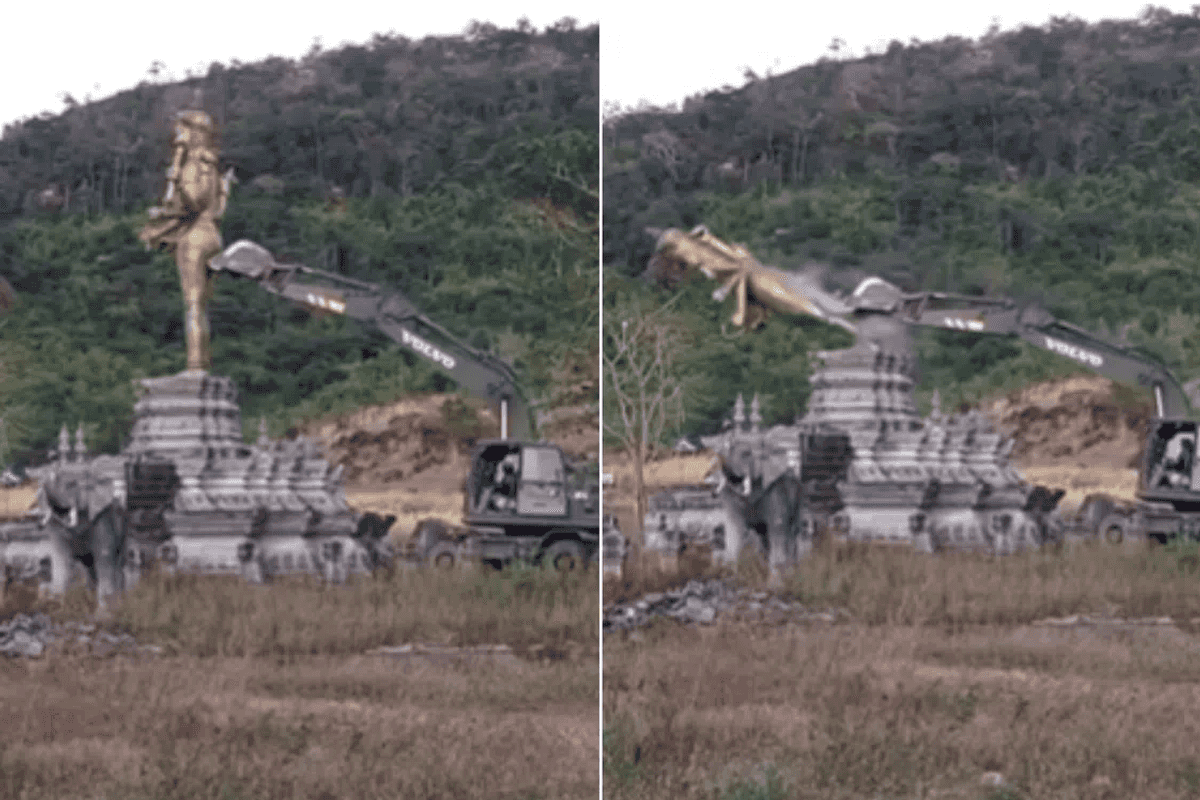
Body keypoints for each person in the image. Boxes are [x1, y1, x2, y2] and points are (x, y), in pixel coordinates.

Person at [138, 109, 234, 372]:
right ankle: (202, 362)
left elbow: (193, 201)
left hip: (195, 236)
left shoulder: (194, 165)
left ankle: (194, 365)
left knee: (192, 304)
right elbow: (217, 206)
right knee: (202, 304)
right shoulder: (212, 167)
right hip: (213, 233)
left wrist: (177, 183)